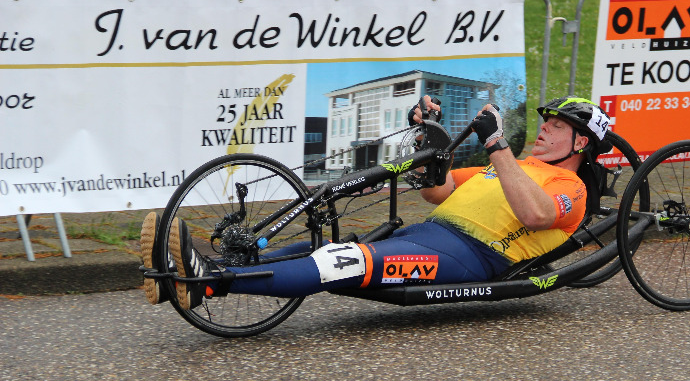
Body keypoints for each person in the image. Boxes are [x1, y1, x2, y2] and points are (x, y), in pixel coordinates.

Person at [140, 96, 610, 309]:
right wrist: (429, 137)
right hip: (427, 234)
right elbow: (437, 191)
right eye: (546, 121)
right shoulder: (511, 166)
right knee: (316, 250)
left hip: (469, 257)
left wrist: (497, 147)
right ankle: (197, 270)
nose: (545, 128)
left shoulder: (572, 189)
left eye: (558, 126)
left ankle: (210, 284)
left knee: (339, 262)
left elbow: (534, 215)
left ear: (580, 145)